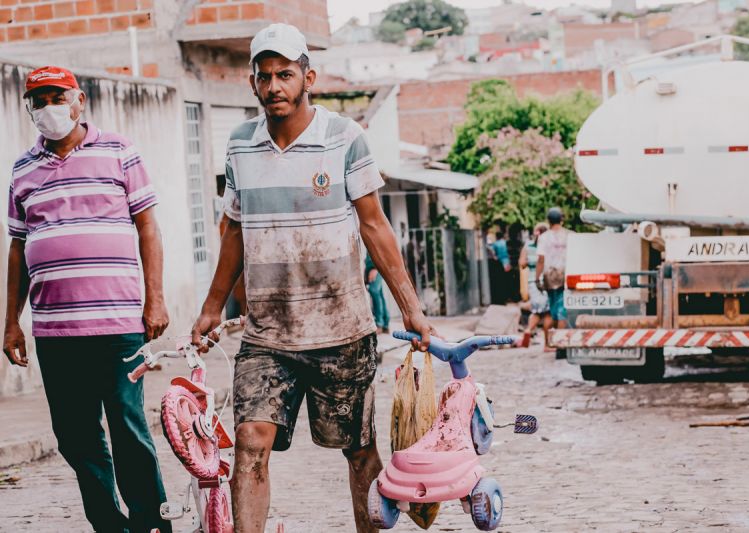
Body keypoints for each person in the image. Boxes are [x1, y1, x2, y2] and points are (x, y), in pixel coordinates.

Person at [189, 24, 435, 533]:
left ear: (308, 77)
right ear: (252, 84)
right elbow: (232, 231)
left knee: (359, 450)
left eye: (285, 74)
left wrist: (410, 306)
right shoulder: (238, 146)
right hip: (266, 334)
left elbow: (374, 225)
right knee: (251, 442)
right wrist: (212, 307)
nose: (275, 85)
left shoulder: (344, 137)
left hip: (341, 330)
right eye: (265, 76)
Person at [2, 66, 171, 532]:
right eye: (37, 100)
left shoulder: (119, 150)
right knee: (76, 438)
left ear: (79, 100)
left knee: (130, 430)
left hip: (118, 325)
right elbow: (17, 247)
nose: (47, 108)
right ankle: (108, 525)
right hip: (55, 330)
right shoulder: (22, 169)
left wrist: (154, 299)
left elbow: (149, 228)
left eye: (56, 97)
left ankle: (151, 524)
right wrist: (11, 322)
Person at [536, 207, 572, 353]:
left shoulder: (544, 237)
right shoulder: (570, 235)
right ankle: (561, 344)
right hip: (566, 274)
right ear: (562, 219)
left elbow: (541, 259)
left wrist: (537, 278)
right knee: (563, 309)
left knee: (551, 311)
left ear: (548, 221)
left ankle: (549, 344)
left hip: (549, 276)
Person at [517, 223, 550, 348]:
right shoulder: (548, 246)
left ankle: (528, 330)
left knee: (537, 309)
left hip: (532, 282)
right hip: (547, 282)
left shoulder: (528, 246)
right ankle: (547, 344)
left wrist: (531, 262)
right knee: (548, 313)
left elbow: (522, 263)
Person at [365, 253, 390, 334]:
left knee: (374, 292)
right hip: (374, 267)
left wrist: (375, 267)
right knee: (379, 294)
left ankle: (379, 323)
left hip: (374, 267)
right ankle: (385, 323)